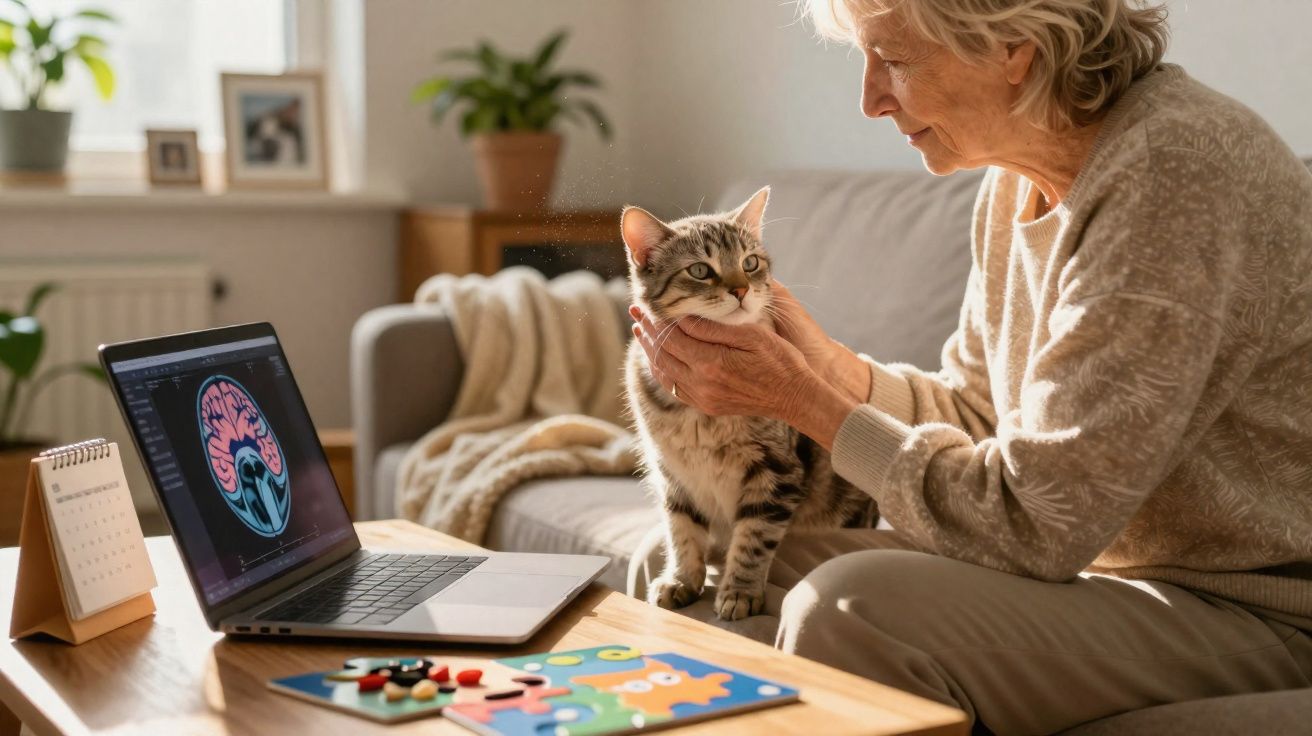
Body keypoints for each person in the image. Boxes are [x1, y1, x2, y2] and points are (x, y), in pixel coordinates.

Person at [628, 0, 1312, 731]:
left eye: (892, 60)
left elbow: (1041, 519)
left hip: (1243, 603)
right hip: (1092, 568)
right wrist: (826, 369)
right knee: (676, 567)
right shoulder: (1015, 182)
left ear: (1011, 47)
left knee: (853, 612)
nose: (870, 100)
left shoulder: (1173, 172)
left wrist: (808, 403)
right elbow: (979, 414)